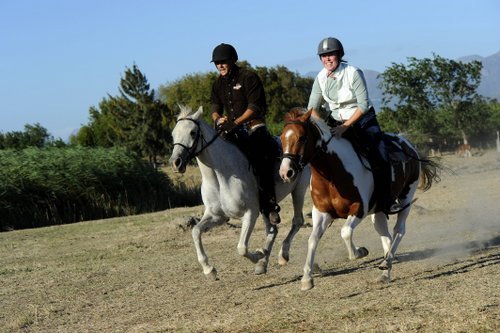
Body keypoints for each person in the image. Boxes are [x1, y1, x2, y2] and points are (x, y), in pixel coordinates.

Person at [307, 37, 396, 214]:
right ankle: (324, 200)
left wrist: (345, 126)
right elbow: (312, 108)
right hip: (335, 121)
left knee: (381, 156)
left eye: (330, 55)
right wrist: (323, 127)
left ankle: (387, 200)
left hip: (362, 120)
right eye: (323, 56)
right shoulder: (320, 78)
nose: (327, 59)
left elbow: (363, 105)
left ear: (339, 55)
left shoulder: (353, 73)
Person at [210, 43, 281, 225]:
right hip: (231, 129)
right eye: (217, 63)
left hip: (253, 126)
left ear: (232, 61)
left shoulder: (249, 77)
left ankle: (270, 205)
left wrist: (235, 123)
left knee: (260, 157)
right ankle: (222, 204)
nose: (220, 65)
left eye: (223, 62)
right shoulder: (217, 84)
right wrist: (218, 119)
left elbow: (254, 107)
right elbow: (215, 109)